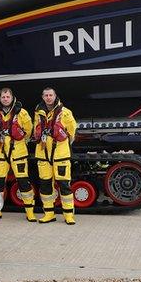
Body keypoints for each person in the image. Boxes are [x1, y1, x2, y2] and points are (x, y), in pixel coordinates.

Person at [32, 87, 78, 225]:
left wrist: (63, 143)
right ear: (42, 96)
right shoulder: (38, 112)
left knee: (64, 185)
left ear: (55, 96)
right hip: (43, 154)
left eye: (50, 95)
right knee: (45, 185)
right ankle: (49, 214)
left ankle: (69, 215)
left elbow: (72, 131)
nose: (48, 97)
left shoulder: (65, 112)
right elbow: (36, 131)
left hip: (60, 155)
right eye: (45, 95)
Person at [0, 87, 34, 221]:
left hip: (18, 152)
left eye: (7, 97)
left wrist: (19, 142)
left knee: (23, 182)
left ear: (12, 98)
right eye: (3, 97)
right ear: (0, 98)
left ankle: (29, 212)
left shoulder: (22, 113)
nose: (5, 99)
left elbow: (28, 130)